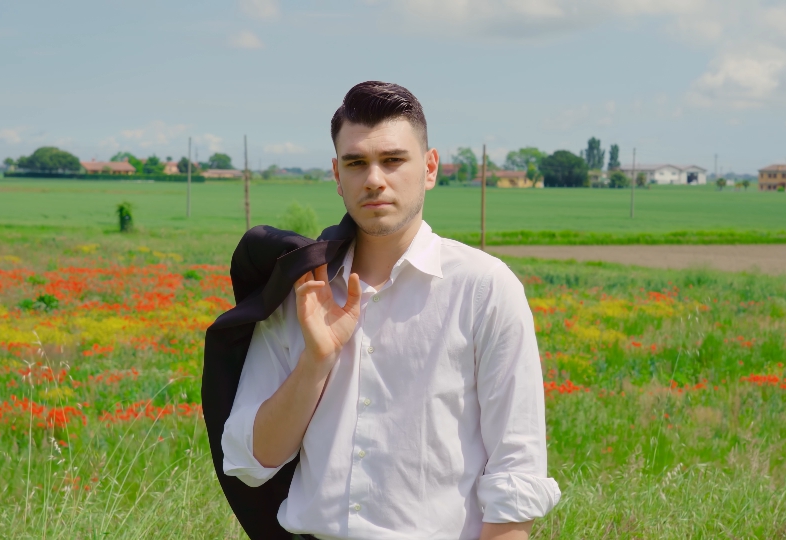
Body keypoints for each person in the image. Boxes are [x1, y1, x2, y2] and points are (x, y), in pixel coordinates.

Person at [221, 81, 560, 539]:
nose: (374, 179)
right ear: (337, 176)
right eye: (356, 163)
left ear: (430, 167)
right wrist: (315, 362)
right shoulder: (300, 290)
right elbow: (251, 461)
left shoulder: (485, 288)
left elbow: (515, 473)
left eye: (393, 160)